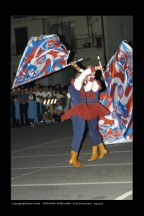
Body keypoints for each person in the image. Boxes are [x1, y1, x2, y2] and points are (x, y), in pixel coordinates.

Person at [61, 62, 110, 167]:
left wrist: (91, 73)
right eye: (82, 77)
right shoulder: (76, 83)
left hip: (87, 109)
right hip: (79, 110)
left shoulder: (83, 85)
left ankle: (78, 157)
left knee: (84, 132)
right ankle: (73, 159)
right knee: (79, 134)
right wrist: (94, 68)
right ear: (78, 78)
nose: (84, 78)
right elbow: (83, 75)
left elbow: (88, 83)